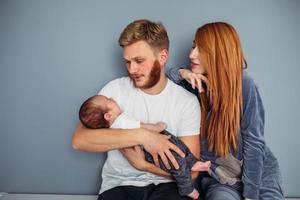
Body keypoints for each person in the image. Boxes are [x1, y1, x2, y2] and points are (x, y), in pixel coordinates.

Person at [72, 19, 202, 200]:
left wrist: (144, 166)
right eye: (127, 62)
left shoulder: (186, 101)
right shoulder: (113, 92)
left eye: (139, 61)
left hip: (170, 186)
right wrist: (144, 136)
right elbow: (79, 140)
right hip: (120, 185)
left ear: (162, 57)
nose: (132, 69)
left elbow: (193, 173)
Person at [167, 22, 284, 200]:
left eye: (201, 48)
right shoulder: (193, 86)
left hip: (259, 179)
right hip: (221, 181)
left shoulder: (244, 84)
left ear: (219, 52)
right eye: (193, 46)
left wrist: (250, 195)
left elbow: (254, 142)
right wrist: (183, 72)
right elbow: (161, 77)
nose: (192, 54)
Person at [78, 94, 212, 199]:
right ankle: (187, 188)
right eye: (109, 100)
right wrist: (158, 127)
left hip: (157, 161)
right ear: (108, 115)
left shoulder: (115, 125)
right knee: (176, 163)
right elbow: (142, 127)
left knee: (179, 151)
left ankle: (193, 162)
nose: (112, 98)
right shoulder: (120, 121)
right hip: (150, 152)